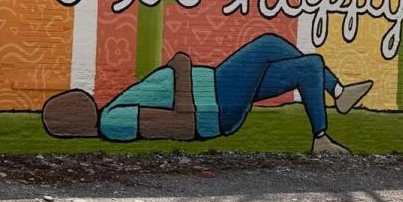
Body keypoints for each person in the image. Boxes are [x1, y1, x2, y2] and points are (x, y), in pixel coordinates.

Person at [42, 34, 374, 154]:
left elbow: (166, 107)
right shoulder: (113, 122)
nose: (76, 98)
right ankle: (335, 99)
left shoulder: (112, 110)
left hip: (217, 87)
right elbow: (178, 124)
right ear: (72, 122)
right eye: (68, 105)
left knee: (304, 65)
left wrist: (178, 71)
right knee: (270, 46)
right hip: (215, 103)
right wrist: (181, 70)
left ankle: (327, 120)